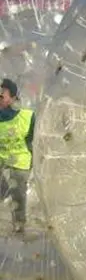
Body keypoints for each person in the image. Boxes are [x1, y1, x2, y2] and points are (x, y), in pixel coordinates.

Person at [0, 78, 34, 237]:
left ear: (13, 98)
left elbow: (32, 140)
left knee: (18, 194)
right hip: (2, 161)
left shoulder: (27, 117)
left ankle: (19, 225)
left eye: (2, 95)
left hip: (20, 163)